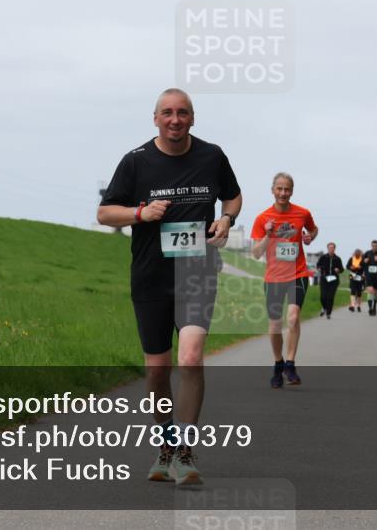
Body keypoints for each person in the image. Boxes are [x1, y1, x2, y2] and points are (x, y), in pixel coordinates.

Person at [97, 88, 242, 486]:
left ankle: (185, 451)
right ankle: (165, 445)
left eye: (182, 113)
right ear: (156, 118)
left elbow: (233, 197)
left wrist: (226, 219)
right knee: (158, 371)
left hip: (197, 274)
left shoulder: (212, 156)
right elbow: (105, 213)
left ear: (192, 118)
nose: (175, 119)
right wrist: (140, 213)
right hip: (151, 278)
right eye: (167, 113)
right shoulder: (136, 161)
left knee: (191, 358)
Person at [251, 172, 318, 388]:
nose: (283, 193)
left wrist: (309, 236)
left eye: (287, 189)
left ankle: (290, 363)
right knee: (275, 324)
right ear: (272, 190)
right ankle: (278, 363)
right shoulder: (262, 218)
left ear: (292, 191)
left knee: (293, 317)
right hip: (274, 277)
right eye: (279, 189)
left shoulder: (302, 213)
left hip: (297, 273)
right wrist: (268, 235)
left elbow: (313, 229)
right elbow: (256, 253)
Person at [316, 243, 344, 319]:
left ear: (334, 249)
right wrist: (319, 268)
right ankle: (324, 308)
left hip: (334, 280)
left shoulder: (337, 258)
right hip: (324, 279)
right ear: (327, 249)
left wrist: (338, 270)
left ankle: (328, 313)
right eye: (329, 248)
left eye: (332, 248)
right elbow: (318, 265)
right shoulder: (323, 257)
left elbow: (342, 269)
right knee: (323, 297)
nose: (331, 249)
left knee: (330, 297)